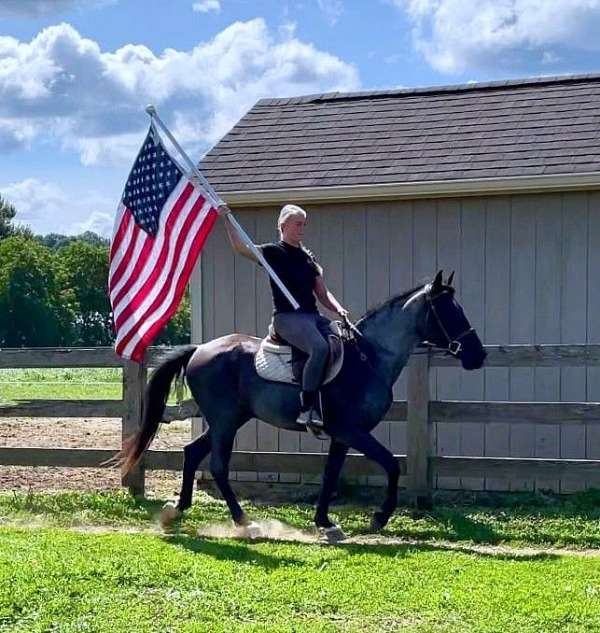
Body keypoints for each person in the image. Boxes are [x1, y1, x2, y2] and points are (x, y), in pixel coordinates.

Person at [217, 203, 349, 432]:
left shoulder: (308, 257)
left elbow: (322, 293)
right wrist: (226, 219)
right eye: (298, 223)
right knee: (319, 348)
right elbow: (241, 248)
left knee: (345, 341)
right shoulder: (272, 252)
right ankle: (306, 408)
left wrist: (339, 309)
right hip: (287, 318)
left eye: (304, 224)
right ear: (283, 225)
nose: (302, 228)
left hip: (312, 316)